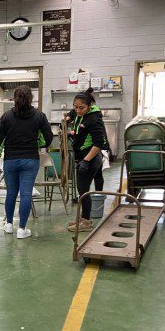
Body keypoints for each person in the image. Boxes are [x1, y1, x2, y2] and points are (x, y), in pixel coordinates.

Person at [0, 85, 53, 239]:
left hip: (11, 160)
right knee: (26, 194)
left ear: (14, 99)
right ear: (31, 98)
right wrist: (40, 144)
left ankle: (9, 225)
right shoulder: (40, 116)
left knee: (11, 193)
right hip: (30, 160)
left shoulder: (6, 117)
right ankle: (22, 229)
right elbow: (49, 138)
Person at [67, 88, 109, 233]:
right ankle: (83, 218)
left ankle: (86, 221)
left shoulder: (94, 119)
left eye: (81, 108)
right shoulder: (82, 114)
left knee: (83, 190)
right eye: (75, 107)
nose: (77, 110)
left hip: (90, 158)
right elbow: (72, 116)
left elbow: (98, 143)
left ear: (90, 106)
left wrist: (85, 160)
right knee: (81, 189)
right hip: (83, 157)